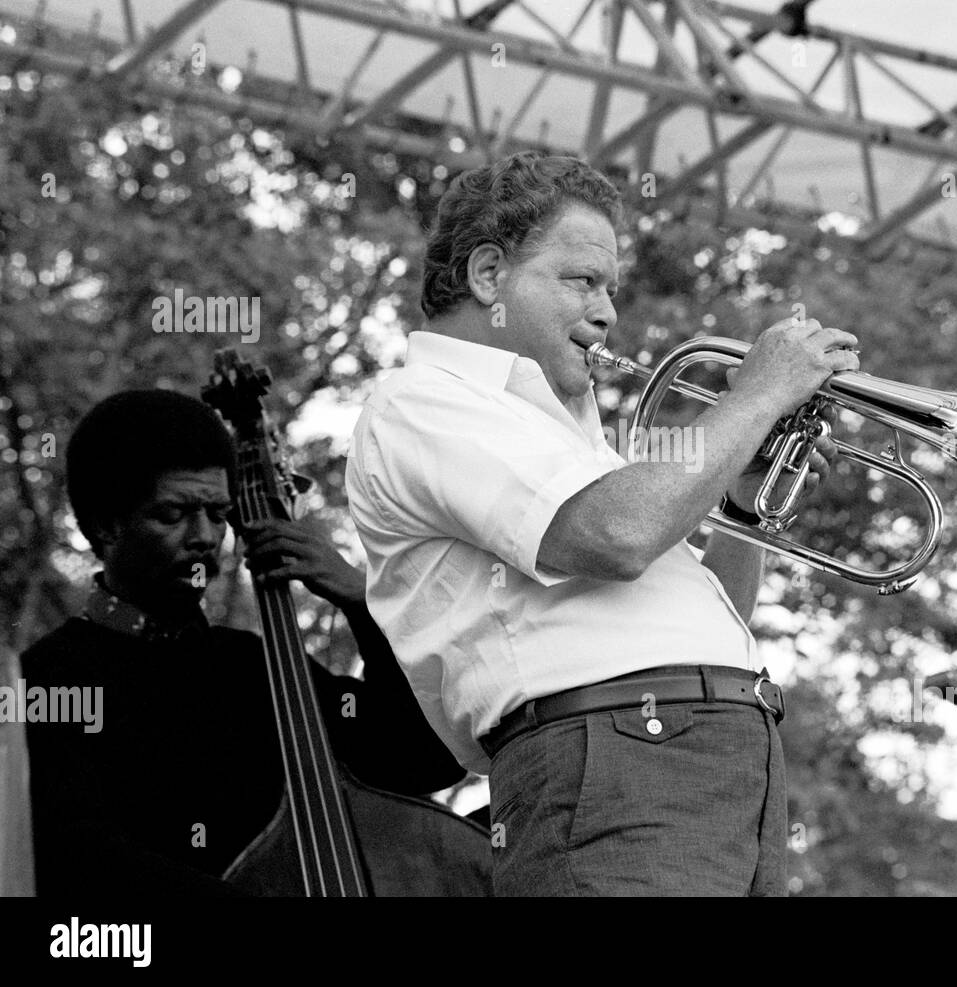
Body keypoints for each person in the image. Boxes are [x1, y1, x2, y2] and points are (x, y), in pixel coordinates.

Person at [346, 151, 857, 896]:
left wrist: (742, 500)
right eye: (582, 281)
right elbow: (617, 537)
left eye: (610, 288)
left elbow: (700, 621)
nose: (608, 310)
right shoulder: (422, 400)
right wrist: (756, 396)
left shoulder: (571, 436)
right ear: (490, 276)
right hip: (615, 758)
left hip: (719, 764)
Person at [20, 389, 465, 895]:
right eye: (173, 514)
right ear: (106, 526)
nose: (206, 537)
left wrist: (362, 605)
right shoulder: (47, 678)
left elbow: (422, 759)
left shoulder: (252, 666)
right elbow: (75, 854)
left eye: (217, 513)